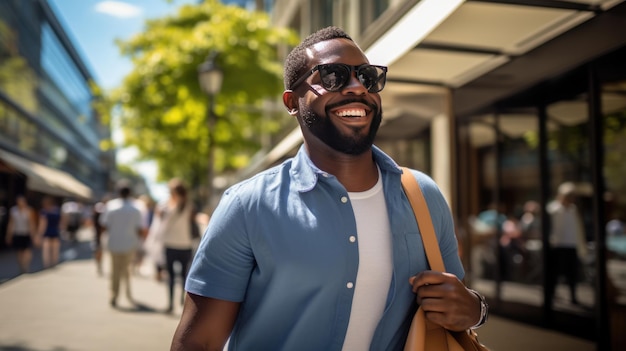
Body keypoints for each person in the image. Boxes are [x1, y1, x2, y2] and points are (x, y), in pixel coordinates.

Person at [171, 26, 486, 351]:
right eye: (333, 76)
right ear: (292, 102)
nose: (357, 88)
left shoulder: (422, 195)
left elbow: (454, 305)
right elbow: (199, 342)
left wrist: (477, 309)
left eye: (366, 76)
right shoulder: (247, 206)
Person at [153, 178, 197, 313]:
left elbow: (160, 221)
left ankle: (171, 304)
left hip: (171, 244)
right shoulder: (190, 205)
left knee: (172, 276)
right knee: (184, 275)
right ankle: (181, 302)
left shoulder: (167, 205)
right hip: (185, 244)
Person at [99, 179, 144, 308]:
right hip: (129, 243)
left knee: (115, 271)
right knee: (127, 271)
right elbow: (139, 229)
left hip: (114, 242)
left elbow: (104, 225)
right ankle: (128, 294)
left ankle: (114, 295)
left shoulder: (111, 206)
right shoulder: (136, 208)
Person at [546, 182, 587, 306]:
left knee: (572, 273)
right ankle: (552, 296)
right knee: (554, 273)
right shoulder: (552, 209)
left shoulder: (573, 210)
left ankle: (573, 296)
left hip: (571, 245)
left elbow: (578, 228)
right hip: (557, 245)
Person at [5, 195, 37, 273]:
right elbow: (11, 223)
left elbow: (31, 223)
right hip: (18, 233)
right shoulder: (14, 211)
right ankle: (21, 266)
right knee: (19, 251)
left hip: (26, 233)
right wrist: (9, 235)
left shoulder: (29, 210)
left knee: (27, 250)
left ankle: (26, 265)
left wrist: (33, 235)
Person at [38, 196, 63, 268]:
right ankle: (54, 263)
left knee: (46, 250)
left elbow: (43, 224)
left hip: (47, 232)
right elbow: (61, 222)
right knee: (55, 249)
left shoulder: (44, 212)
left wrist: (39, 234)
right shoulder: (57, 211)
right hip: (55, 231)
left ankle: (47, 264)